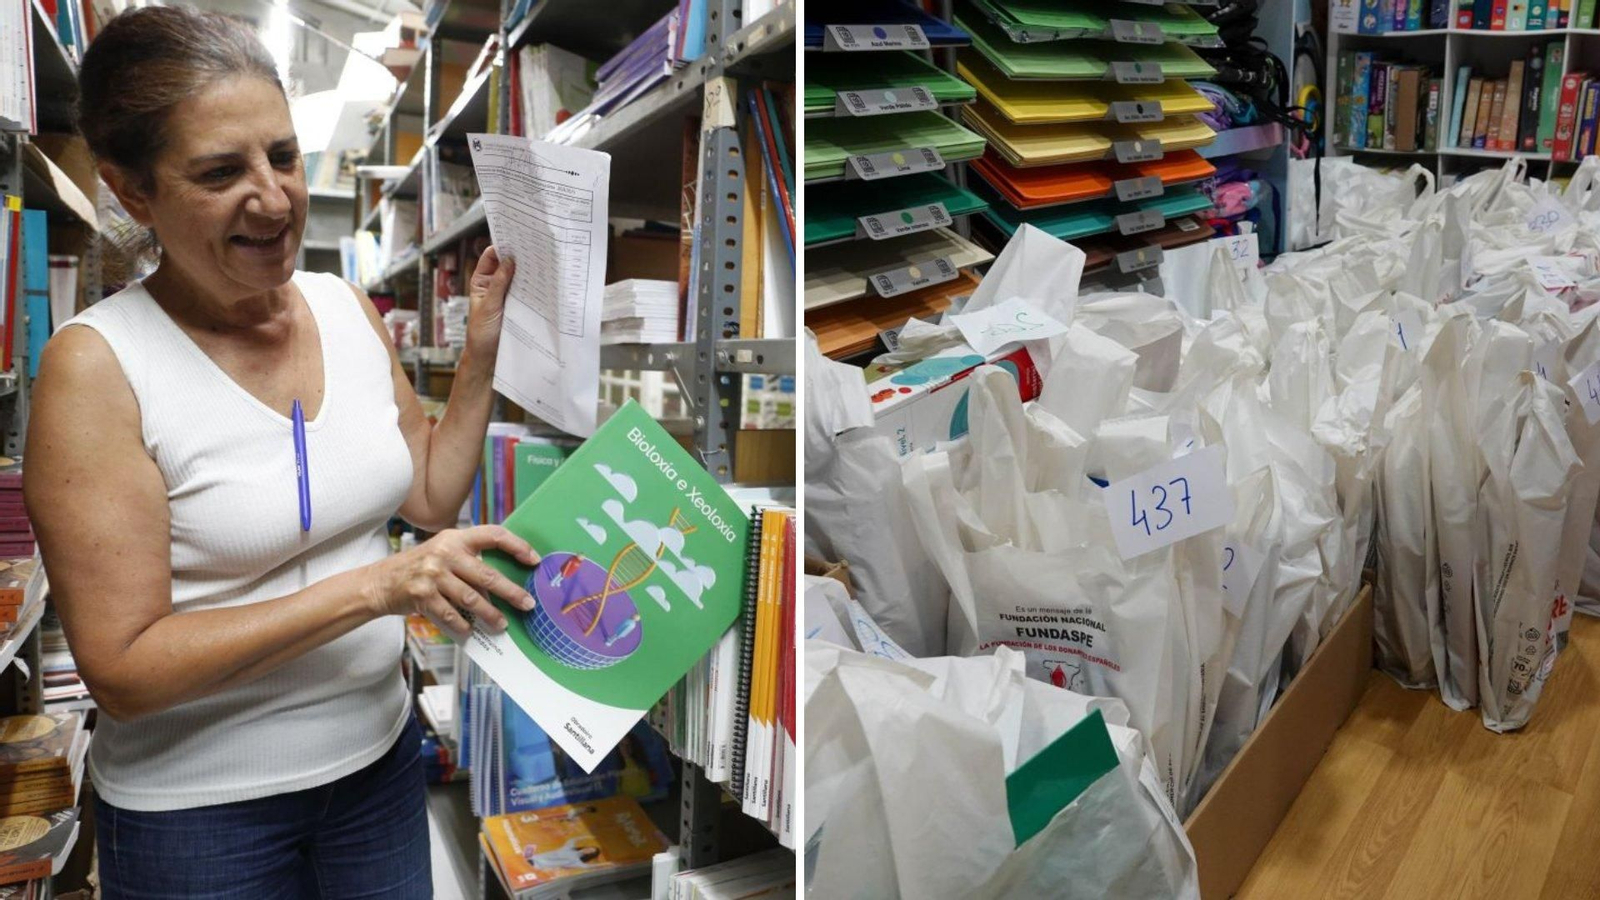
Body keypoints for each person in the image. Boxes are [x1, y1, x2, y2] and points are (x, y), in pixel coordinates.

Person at [24, 7, 540, 897]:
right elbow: (124, 671)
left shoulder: (345, 306)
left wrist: (483, 349)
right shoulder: (98, 366)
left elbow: (428, 496)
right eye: (222, 172)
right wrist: (381, 587)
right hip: (200, 817)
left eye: (284, 156)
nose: (273, 197)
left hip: (378, 768)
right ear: (133, 191)